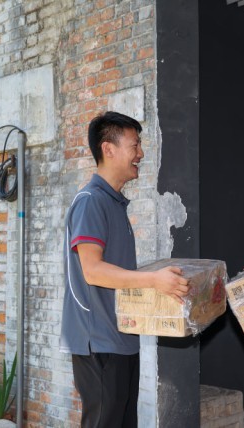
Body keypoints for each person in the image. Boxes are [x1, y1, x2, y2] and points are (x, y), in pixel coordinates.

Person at [59, 111, 190, 428]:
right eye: (135, 145)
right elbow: (93, 271)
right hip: (99, 343)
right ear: (109, 149)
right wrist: (153, 281)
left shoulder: (113, 203)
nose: (141, 153)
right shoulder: (90, 201)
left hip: (121, 339)